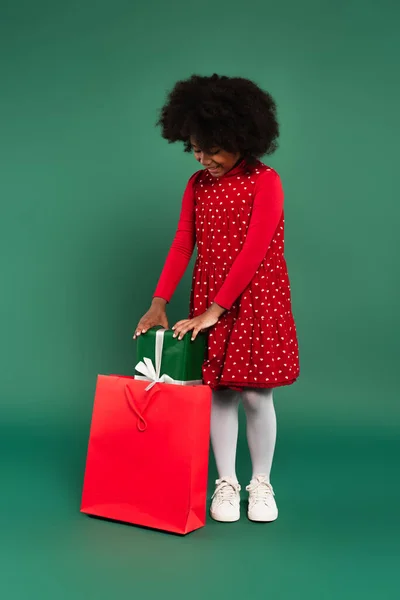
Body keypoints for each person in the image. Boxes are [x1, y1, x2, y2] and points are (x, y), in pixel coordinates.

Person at [134, 74, 300, 523]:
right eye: (195, 148)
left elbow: (254, 251)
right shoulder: (196, 184)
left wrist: (214, 311)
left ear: (240, 138)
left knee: (256, 396)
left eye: (212, 148)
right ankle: (225, 482)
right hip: (210, 299)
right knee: (220, 395)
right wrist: (159, 301)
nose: (203, 158)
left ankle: (260, 482)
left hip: (254, 299)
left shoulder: (266, 182)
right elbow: (183, 243)